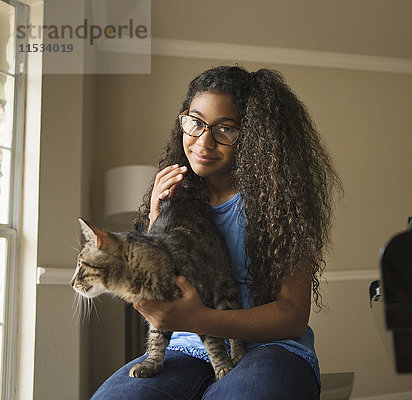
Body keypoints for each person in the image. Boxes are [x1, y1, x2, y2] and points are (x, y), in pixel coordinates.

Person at [91, 66, 342, 400]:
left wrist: (203, 318)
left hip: (270, 349)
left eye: (226, 129)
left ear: (253, 136)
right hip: (186, 349)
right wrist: (156, 220)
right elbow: (168, 285)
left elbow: (292, 316)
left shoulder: (284, 204)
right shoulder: (173, 197)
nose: (203, 141)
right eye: (195, 122)